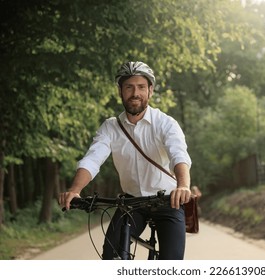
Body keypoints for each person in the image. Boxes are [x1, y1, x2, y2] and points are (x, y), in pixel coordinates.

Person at [58, 61, 192, 260]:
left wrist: (183, 186)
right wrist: (76, 190)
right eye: (129, 87)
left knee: (171, 263)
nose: (135, 93)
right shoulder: (110, 127)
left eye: (141, 87)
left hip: (167, 201)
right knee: (111, 253)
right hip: (132, 203)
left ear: (150, 91)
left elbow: (178, 155)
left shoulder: (165, 123)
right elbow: (93, 159)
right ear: (120, 91)